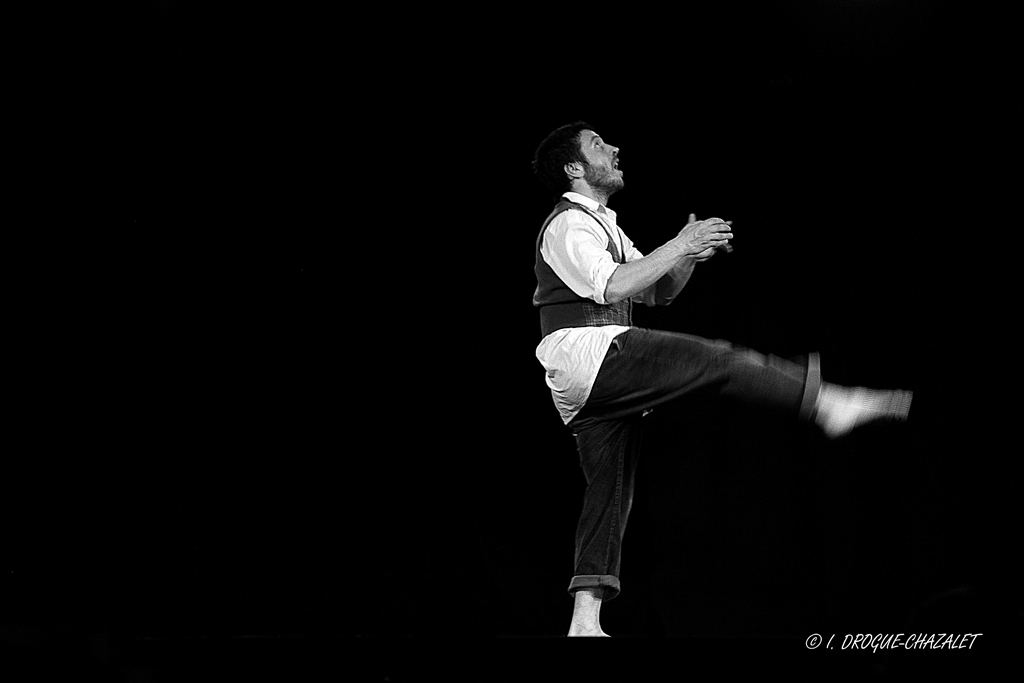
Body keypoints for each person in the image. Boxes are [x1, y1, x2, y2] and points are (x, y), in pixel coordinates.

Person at [531, 121, 912, 637]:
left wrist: (688, 255)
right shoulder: (567, 224)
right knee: (719, 361)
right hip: (590, 352)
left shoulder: (604, 225)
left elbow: (654, 293)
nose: (615, 146)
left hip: (588, 376)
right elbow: (614, 285)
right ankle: (826, 402)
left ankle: (584, 619)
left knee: (609, 490)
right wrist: (680, 241)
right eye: (599, 143)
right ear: (574, 168)